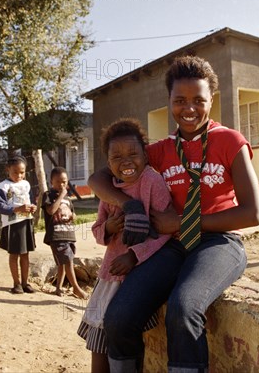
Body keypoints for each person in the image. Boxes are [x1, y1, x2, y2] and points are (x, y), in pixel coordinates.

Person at [88, 56, 259, 372]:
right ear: (169, 100)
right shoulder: (159, 150)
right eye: (180, 100)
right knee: (119, 314)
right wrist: (128, 204)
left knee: (183, 309)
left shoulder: (230, 141)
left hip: (219, 243)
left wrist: (183, 222)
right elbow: (97, 179)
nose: (189, 108)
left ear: (212, 100)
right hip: (172, 246)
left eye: (199, 100)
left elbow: (252, 214)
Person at [78, 118, 173, 373]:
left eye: (133, 153)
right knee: (98, 341)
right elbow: (97, 231)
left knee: (123, 332)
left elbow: (164, 231)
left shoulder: (152, 182)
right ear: (108, 164)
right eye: (116, 157)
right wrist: (109, 227)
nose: (126, 161)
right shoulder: (110, 189)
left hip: (135, 275)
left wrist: (133, 256)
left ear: (145, 154)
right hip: (109, 275)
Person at [41, 166, 87, 299]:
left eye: (64, 182)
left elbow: (73, 214)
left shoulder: (68, 199)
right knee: (68, 261)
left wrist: (73, 216)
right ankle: (76, 289)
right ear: (51, 182)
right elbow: (51, 211)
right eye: (58, 182)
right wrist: (61, 195)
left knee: (62, 262)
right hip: (56, 235)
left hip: (68, 234)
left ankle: (58, 288)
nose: (62, 185)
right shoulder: (48, 195)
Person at [0, 155, 38, 294]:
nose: (19, 175)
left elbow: (31, 199)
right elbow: (0, 207)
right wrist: (17, 209)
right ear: (8, 170)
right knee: (14, 254)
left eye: (22, 172)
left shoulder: (26, 184)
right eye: (15, 172)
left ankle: (25, 283)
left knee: (25, 254)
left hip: (26, 222)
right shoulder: (3, 186)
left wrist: (33, 207)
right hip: (12, 224)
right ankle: (16, 283)